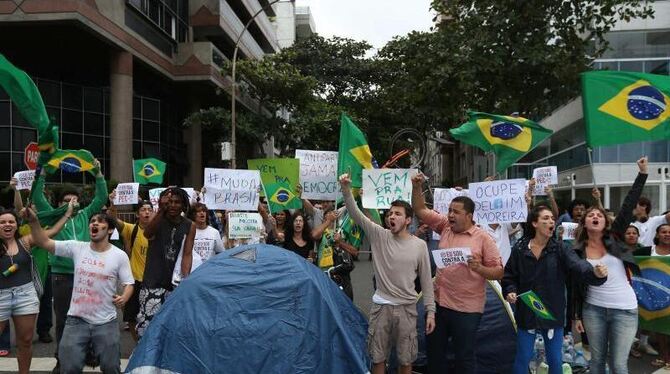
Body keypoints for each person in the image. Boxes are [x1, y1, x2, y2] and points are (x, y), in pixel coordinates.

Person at [340, 173, 435, 374]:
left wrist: (430, 312)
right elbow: (355, 213)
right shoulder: (379, 236)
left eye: (398, 214)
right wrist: (346, 189)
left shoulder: (419, 246)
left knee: (406, 361)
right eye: (390, 213)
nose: (392, 216)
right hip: (381, 309)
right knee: (377, 359)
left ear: (408, 220)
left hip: (408, 310)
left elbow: (427, 281)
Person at [411, 173, 503, 374]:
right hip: (438, 304)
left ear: (469, 216)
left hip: (467, 310)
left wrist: (479, 268)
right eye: (450, 210)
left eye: (456, 212)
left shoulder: (484, 239)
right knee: (434, 355)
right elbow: (419, 209)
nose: (450, 215)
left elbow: (499, 272)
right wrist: (417, 187)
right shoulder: (445, 226)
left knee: (464, 357)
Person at [26, 207, 133, 374]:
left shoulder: (119, 255)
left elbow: (129, 283)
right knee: (69, 368)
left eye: (100, 221)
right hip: (76, 320)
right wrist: (33, 221)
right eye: (92, 222)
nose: (94, 224)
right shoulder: (77, 247)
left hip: (106, 321)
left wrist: (124, 297)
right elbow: (43, 242)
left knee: (111, 368)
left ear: (110, 229)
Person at [503, 205, 607, 374]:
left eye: (552, 218)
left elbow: (578, 265)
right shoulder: (520, 249)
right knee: (523, 357)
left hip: (552, 312)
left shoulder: (561, 248)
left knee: (555, 359)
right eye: (546, 218)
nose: (551, 221)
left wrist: (595, 273)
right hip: (526, 311)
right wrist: (510, 290)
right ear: (535, 223)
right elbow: (509, 276)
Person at [572, 156, 649, 374]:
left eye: (599, 215)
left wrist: (642, 174)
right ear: (584, 223)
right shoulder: (576, 250)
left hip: (624, 310)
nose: (595, 216)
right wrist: (576, 315)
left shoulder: (615, 238)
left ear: (605, 222)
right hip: (593, 310)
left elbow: (628, 204)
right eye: (591, 215)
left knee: (618, 365)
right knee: (596, 362)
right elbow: (575, 284)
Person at [32, 162, 108, 373]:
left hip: (88, 274)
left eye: (73, 199)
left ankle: (89, 353)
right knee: (64, 319)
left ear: (78, 201)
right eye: (65, 200)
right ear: (59, 203)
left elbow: (101, 198)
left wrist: (98, 174)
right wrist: (43, 174)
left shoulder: (86, 215)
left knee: (90, 315)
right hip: (62, 276)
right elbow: (38, 198)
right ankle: (61, 358)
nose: (70, 203)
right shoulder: (55, 215)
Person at [0, 202, 73, 374]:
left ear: (17, 225)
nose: (7, 225)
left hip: (25, 295)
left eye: (11, 221)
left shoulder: (25, 242)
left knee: (25, 340)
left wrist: (67, 214)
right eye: (3, 222)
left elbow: (52, 233)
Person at [136, 187, 195, 339]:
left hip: (174, 284)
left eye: (177, 202)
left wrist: (185, 280)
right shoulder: (158, 220)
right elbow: (147, 233)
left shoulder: (189, 225)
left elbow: (187, 254)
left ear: (183, 205)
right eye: (169, 202)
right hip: (152, 283)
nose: (173, 205)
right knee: (148, 329)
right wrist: (161, 210)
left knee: (172, 329)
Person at [108, 195, 154, 342]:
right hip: (134, 280)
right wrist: (113, 203)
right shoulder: (131, 229)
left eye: (149, 210)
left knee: (152, 315)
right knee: (131, 316)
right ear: (137, 214)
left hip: (153, 281)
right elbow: (113, 219)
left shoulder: (159, 231)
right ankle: (138, 345)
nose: (147, 212)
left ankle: (150, 345)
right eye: (143, 210)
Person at [648, 223, 670, 368]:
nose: (667, 234)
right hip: (655, 296)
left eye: (669, 232)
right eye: (663, 232)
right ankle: (664, 357)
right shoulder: (649, 251)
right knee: (660, 329)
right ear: (657, 235)